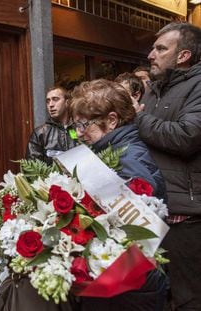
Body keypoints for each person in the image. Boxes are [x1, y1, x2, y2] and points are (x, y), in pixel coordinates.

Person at [69, 79, 167, 311]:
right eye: (75, 127)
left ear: (112, 120)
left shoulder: (130, 159)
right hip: (122, 284)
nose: (79, 134)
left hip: (130, 289)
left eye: (84, 125)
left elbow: (138, 231)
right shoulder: (110, 152)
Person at [134, 22, 201, 310]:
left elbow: (187, 136)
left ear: (183, 55)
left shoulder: (198, 86)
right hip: (151, 213)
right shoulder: (154, 90)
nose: (151, 54)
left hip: (186, 219)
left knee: (188, 299)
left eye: (161, 48)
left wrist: (138, 118)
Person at [25, 86, 77, 165]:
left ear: (67, 102)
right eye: (48, 101)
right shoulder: (40, 133)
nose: (51, 105)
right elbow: (32, 167)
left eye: (55, 99)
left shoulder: (79, 129)